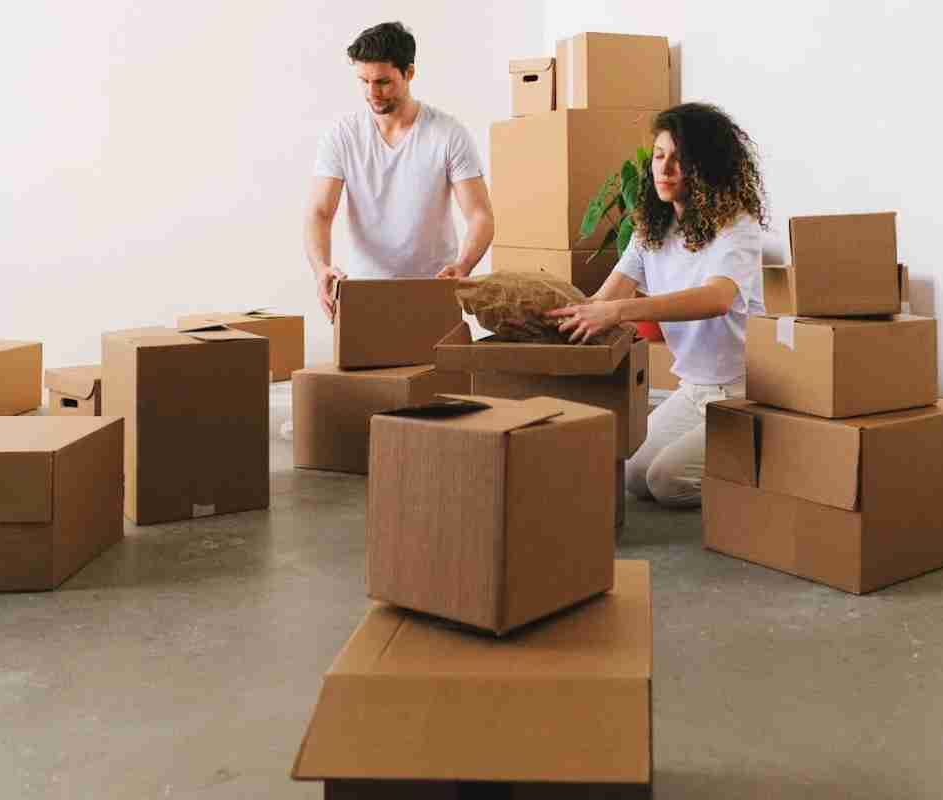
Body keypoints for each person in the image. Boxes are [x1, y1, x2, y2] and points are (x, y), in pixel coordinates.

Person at [547, 103, 768, 508]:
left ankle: (772, 474)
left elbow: (717, 299)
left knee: (667, 482)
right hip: (693, 389)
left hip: (744, 392)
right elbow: (605, 299)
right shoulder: (651, 229)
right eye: (660, 156)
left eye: (680, 159)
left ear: (707, 167)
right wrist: (546, 314)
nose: (664, 170)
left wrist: (621, 313)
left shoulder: (737, 227)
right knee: (634, 473)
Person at [304, 21, 495, 321]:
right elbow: (319, 212)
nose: (372, 92)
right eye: (363, 81)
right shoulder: (342, 135)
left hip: (433, 291)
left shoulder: (448, 133)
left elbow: (480, 215)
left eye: (382, 82)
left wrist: (463, 266)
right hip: (365, 294)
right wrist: (321, 269)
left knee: (435, 368)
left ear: (409, 73)